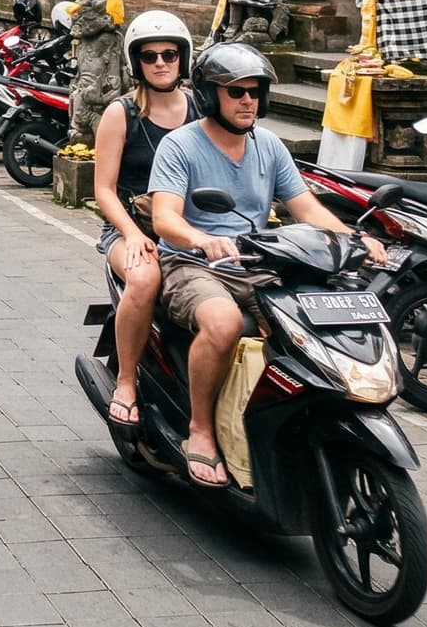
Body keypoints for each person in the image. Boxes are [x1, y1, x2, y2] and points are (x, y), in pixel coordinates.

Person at [148, 42, 388, 488]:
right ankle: (201, 429)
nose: (247, 101)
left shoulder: (269, 145)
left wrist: (354, 238)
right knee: (221, 323)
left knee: (308, 329)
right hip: (192, 263)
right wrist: (203, 240)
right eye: (236, 92)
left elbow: (305, 207)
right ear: (209, 96)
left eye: (254, 92)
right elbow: (164, 218)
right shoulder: (180, 145)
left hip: (258, 262)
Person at [92, 10, 199, 431]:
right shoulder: (122, 114)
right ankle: (126, 380)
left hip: (191, 228)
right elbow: (103, 189)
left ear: (182, 59)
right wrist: (133, 234)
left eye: (169, 54)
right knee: (144, 279)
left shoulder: (201, 109)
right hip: (130, 228)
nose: (160, 63)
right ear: (136, 62)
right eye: (149, 56)